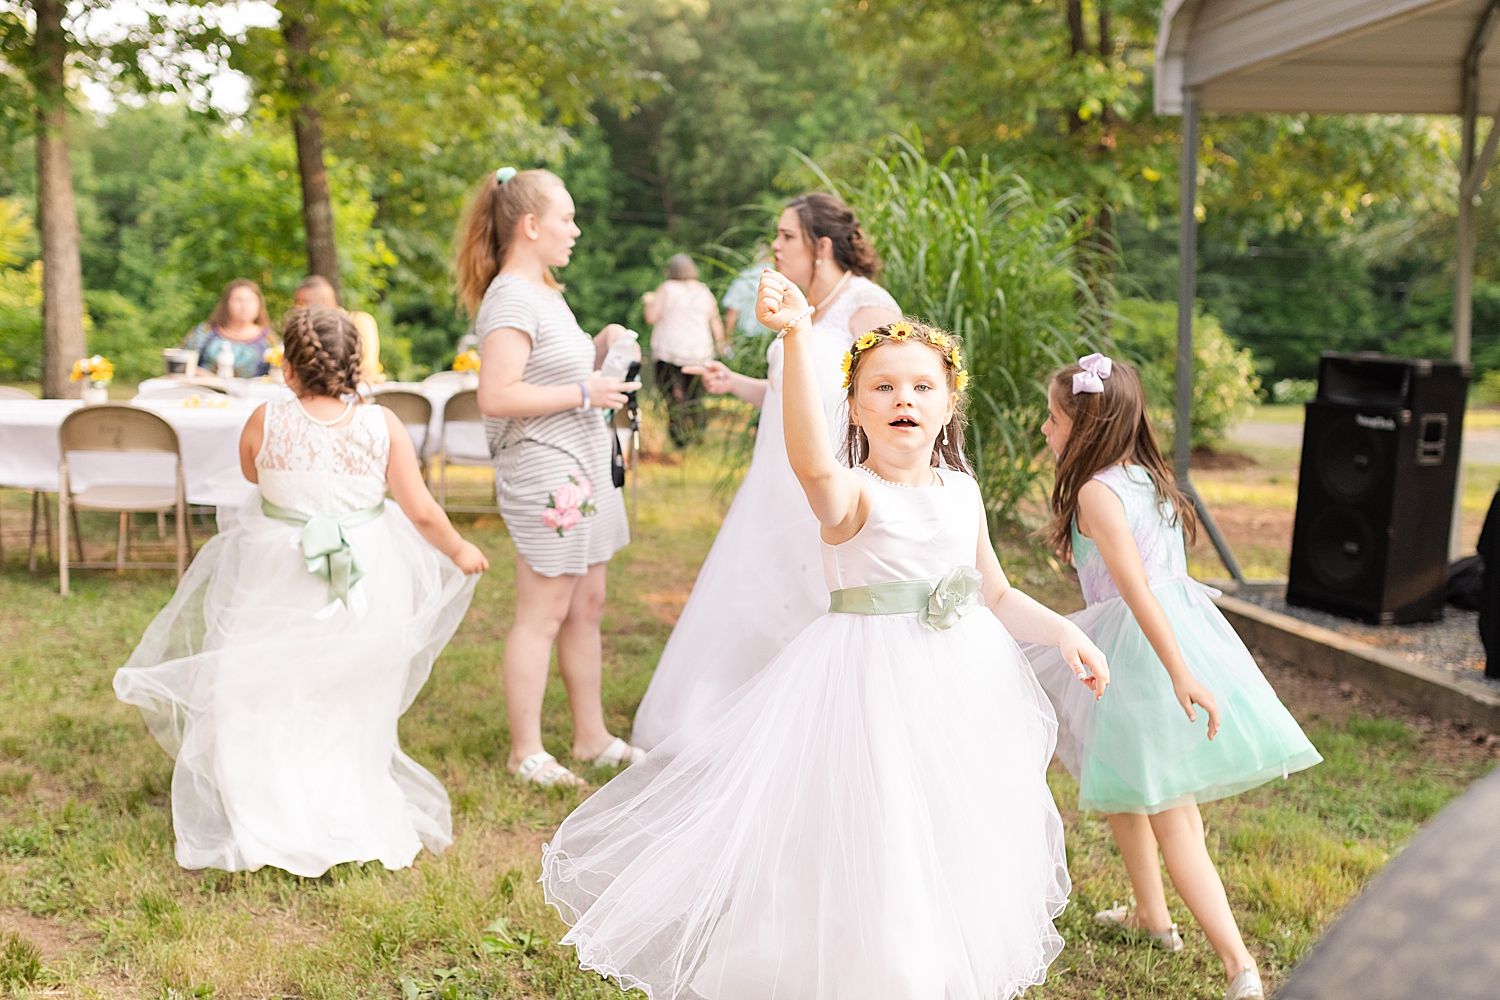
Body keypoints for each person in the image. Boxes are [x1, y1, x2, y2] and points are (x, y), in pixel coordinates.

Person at [540, 275, 1109, 998]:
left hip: (957, 685)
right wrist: (798, 337)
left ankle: (932, 963)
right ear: (855, 405)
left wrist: (1063, 632)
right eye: (883, 388)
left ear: (948, 403)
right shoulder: (852, 492)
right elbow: (810, 461)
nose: (904, 399)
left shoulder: (961, 490)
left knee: (940, 826)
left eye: (922, 387)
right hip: (867, 682)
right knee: (873, 824)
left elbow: (993, 592)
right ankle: (864, 967)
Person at [113, 305, 488, 877]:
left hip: (277, 566)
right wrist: (460, 550)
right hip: (364, 570)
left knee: (262, 680)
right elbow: (422, 510)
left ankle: (264, 805)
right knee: (350, 684)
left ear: (287, 369)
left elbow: (250, 474)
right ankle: (340, 797)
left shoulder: (265, 419)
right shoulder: (382, 425)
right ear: (358, 366)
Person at [1023, 354, 1323, 1000]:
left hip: (1144, 654)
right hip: (1158, 643)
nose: (1045, 431)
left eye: (1053, 418)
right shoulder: (1144, 479)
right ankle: (1151, 917)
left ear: (1088, 423)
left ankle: (1239, 965)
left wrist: (1181, 675)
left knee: (1174, 818)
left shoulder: (1097, 493)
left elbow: (1135, 591)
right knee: (1124, 779)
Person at [630, 192, 901, 750]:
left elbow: (897, 403)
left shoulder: (868, 308)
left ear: (820, 246)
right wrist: (736, 384)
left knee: (816, 595)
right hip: (773, 482)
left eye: (785, 237)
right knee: (757, 597)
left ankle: (817, 730)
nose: (774, 248)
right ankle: (745, 725)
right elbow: (791, 395)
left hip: (831, 484)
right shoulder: (808, 309)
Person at [456, 166, 643, 789]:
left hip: (582, 460)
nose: (576, 229)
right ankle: (525, 750)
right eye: (566, 218)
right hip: (544, 468)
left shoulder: (545, 292)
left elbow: (552, 375)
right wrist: (585, 389)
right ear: (531, 225)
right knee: (544, 609)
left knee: (586, 603)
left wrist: (603, 348)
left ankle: (591, 738)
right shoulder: (508, 296)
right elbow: (497, 395)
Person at [642, 253, 726, 447]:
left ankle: (679, 438)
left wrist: (648, 301)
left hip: (670, 352)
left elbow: (651, 317)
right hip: (700, 353)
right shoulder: (703, 291)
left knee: (673, 396)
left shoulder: (666, 289)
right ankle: (698, 433)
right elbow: (715, 320)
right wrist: (720, 345)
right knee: (696, 396)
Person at [294, 275, 385, 385]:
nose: (297, 309)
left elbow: (368, 369)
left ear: (322, 302)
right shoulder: (307, 328)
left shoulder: (359, 322)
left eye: (302, 303)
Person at [180, 279, 277, 379]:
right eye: (238, 300)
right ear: (226, 303)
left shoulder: (269, 340)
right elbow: (181, 363)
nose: (244, 306)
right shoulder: (204, 332)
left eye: (250, 301)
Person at [718, 244, 774, 341]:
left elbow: (732, 311)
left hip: (747, 339)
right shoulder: (782, 276)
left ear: (754, 257)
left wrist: (727, 338)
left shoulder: (743, 277)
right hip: (776, 336)